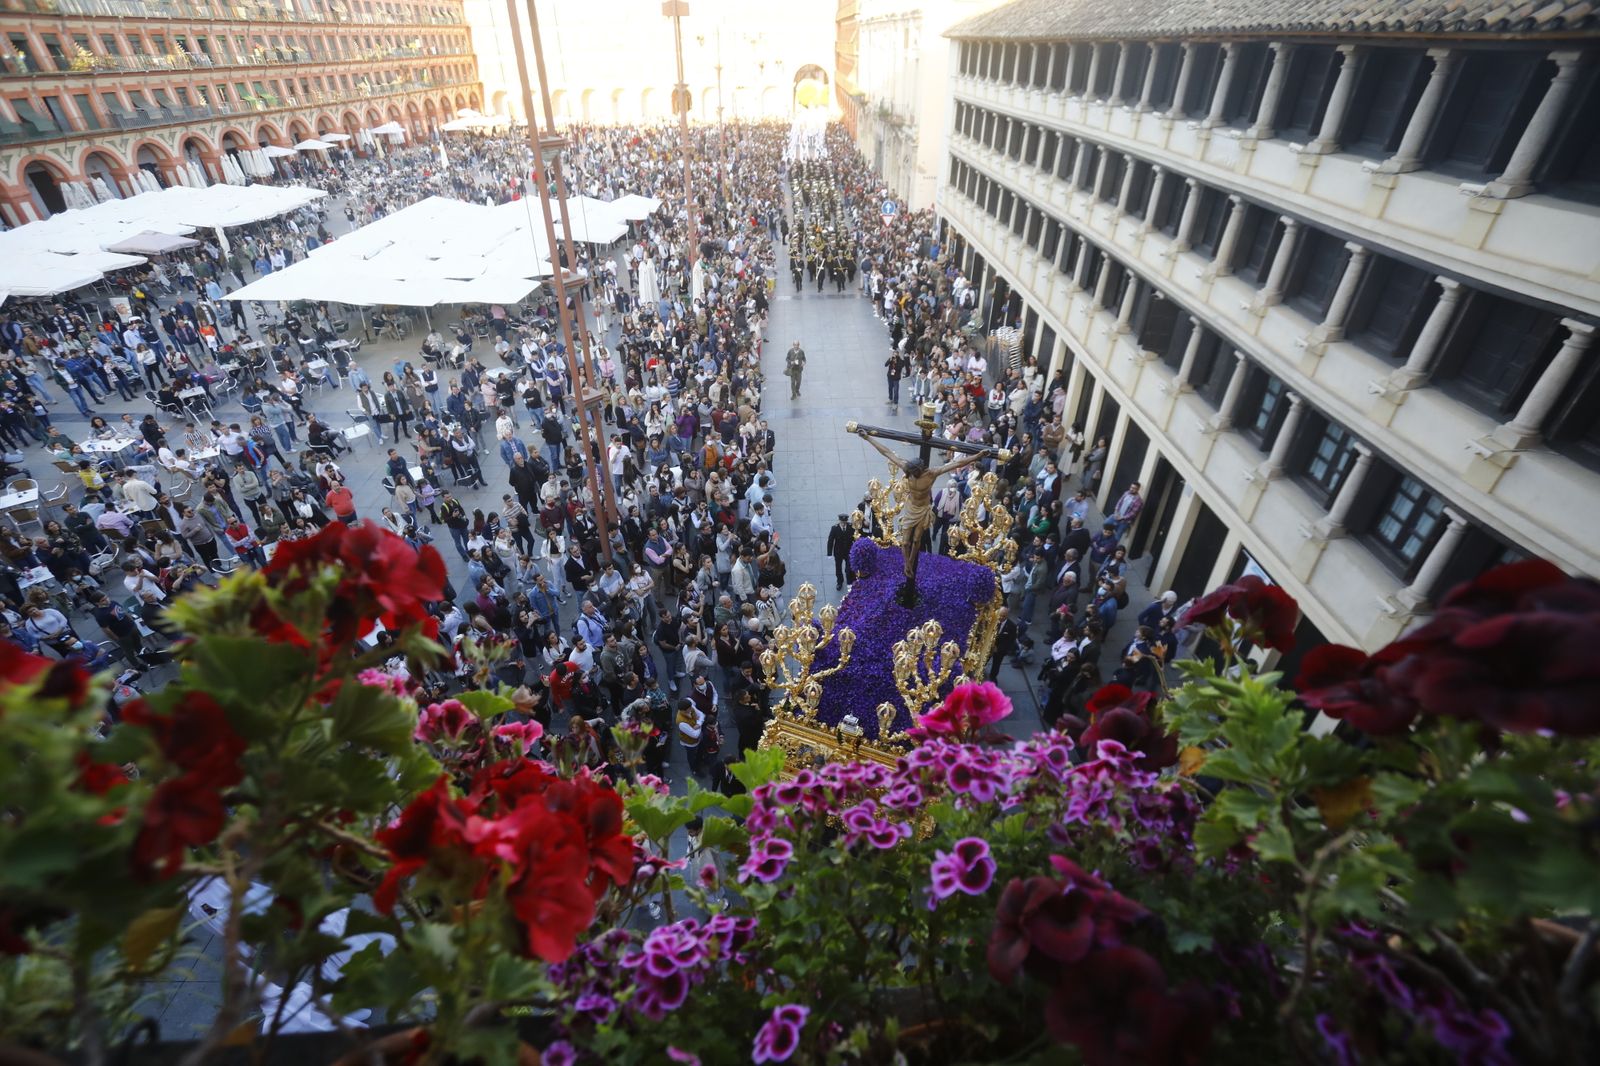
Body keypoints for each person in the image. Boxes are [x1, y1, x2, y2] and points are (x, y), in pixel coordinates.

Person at [826, 513, 855, 591]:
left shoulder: (851, 527)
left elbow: (855, 538)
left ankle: (849, 582)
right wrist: (829, 553)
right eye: (842, 522)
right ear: (839, 521)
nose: (843, 523)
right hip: (838, 552)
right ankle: (840, 582)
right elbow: (830, 541)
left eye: (844, 522)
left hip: (849, 551)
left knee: (849, 568)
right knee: (838, 568)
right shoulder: (834, 528)